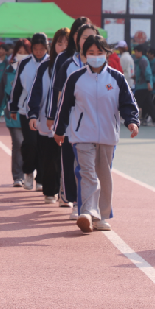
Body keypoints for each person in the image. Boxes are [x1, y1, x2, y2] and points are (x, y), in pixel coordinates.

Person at [54, 34, 139, 233]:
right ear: (84, 56)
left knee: (104, 175)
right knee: (87, 174)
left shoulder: (117, 78)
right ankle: (87, 212)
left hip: (108, 136)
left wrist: (132, 122)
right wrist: (59, 130)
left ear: (106, 54)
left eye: (99, 52)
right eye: (91, 53)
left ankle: (102, 216)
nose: (95, 56)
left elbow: (128, 103)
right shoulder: (75, 78)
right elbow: (64, 106)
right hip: (82, 135)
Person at [46, 19, 98, 217]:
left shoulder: (102, 64)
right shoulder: (67, 63)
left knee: (91, 168)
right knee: (71, 165)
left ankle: (90, 205)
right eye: (84, 37)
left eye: (92, 36)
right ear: (76, 39)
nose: (89, 41)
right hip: (71, 124)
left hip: (96, 125)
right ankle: (76, 202)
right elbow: (57, 91)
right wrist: (55, 117)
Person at [28, 28, 69, 204]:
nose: (64, 47)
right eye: (60, 43)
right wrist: (33, 114)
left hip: (69, 120)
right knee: (50, 157)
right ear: (53, 46)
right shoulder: (45, 67)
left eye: (67, 43)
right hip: (47, 120)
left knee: (67, 157)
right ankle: (50, 190)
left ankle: (66, 193)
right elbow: (36, 91)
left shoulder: (76, 65)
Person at [10, 33, 48, 191]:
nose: (38, 52)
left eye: (42, 49)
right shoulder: (24, 63)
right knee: (30, 143)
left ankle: (41, 178)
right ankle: (28, 172)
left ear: (47, 48)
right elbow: (17, 86)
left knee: (43, 145)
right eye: (35, 49)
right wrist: (13, 107)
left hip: (46, 111)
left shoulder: (52, 63)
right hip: (26, 111)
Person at [0, 39, 29, 186]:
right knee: (18, 143)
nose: (21, 55)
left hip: (31, 113)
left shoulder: (37, 69)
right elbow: (2, 91)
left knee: (31, 144)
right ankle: (18, 176)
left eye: (25, 53)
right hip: (13, 112)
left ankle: (31, 172)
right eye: (19, 53)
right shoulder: (9, 70)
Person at [133, 44, 155, 126]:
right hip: (142, 85)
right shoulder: (141, 60)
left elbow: (147, 72)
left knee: (135, 102)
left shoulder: (143, 60)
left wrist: (148, 83)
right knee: (148, 104)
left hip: (143, 86)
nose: (135, 54)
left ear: (140, 52)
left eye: (136, 52)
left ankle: (131, 118)